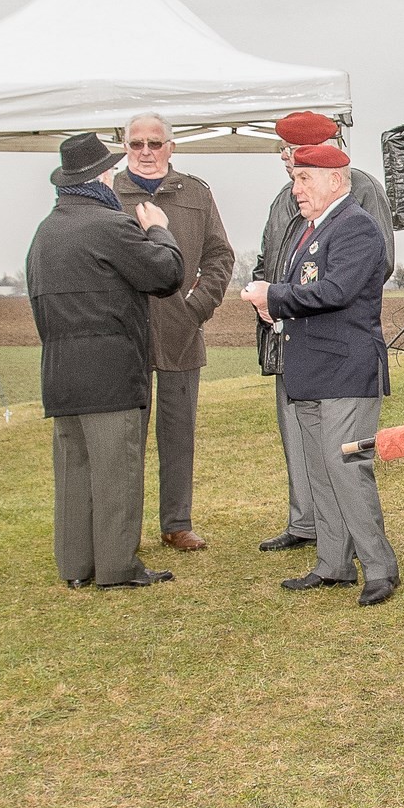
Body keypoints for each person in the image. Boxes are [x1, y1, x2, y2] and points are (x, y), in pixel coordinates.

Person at [27, 133, 186, 589]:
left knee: (74, 472)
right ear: (100, 177)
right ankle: (117, 567)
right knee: (117, 471)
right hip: (110, 372)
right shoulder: (109, 226)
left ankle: (75, 566)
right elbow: (166, 273)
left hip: (60, 371)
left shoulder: (45, 233)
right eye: (111, 170)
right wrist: (158, 229)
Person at [243, 142, 400, 606]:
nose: (296, 189)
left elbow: (335, 291)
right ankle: (333, 563)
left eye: (304, 178)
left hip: (345, 372)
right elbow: (309, 291)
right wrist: (275, 310)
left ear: (336, 179)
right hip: (311, 371)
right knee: (322, 471)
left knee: (347, 470)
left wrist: (274, 297)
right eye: (295, 178)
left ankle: (380, 568)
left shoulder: (355, 226)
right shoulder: (312, 228)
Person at [112, 112, 235, 553]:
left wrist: (196, 308)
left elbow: (220, 256)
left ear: (171, 147)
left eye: (155, 143)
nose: (145, 152)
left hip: (180, 334)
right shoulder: (108, 194)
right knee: (124, 439)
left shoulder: (196, 193)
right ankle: (122, 529)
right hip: (123, 336)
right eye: (136, 143)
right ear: (125, 147)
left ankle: (177, 522)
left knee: (178, 433)